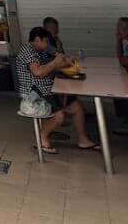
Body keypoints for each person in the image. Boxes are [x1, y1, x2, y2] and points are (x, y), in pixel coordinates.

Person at [14, 26, 100, 154]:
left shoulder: (42, 50)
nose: (48, 44)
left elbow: (57, 60)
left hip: (51, 89)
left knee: (77, 108)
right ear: (37, 39)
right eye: (46, 41)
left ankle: (83, 140)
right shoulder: (27, 51)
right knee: (59, 117)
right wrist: (55, 63)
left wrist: (66, 60)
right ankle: (42, 139)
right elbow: (38, 72)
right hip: (36, 93)